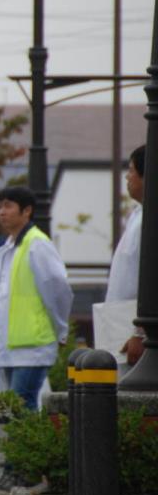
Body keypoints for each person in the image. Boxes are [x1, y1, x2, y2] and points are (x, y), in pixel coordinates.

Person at [0, 186, 72, 411]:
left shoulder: (37, 244)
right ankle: (24, 447)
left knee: (22, 406)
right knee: (16, 409)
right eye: (0, 206)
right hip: (12, 345)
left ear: (27, 211)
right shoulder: (9, 246)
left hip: (32, 345)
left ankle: (34, 447)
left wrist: (60, 328)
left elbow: (58, 289)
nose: (2, 212)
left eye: (9, 206)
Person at [101, 145, 145, 366]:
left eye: (131, 170)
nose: (127, 177)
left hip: (136, 334)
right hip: (120, 326)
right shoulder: (137, 215)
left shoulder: (149, 220)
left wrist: (140, 332)